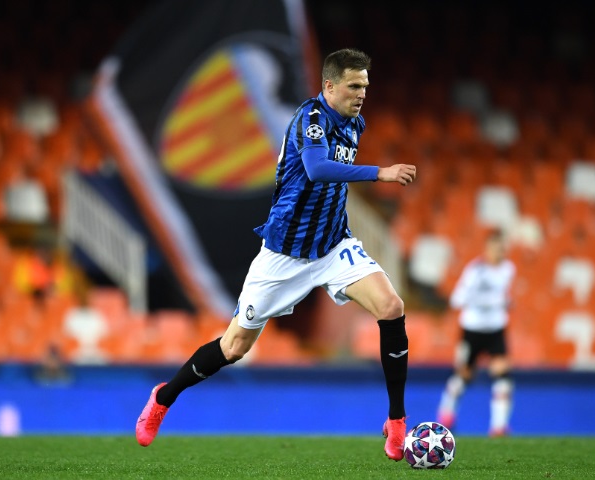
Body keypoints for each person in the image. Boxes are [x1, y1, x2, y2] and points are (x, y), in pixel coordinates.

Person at [135, 48, 417, 460]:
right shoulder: (310, 118)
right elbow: (317, 169)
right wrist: (381, 172)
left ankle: (396, 421)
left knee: (391, 306)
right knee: (233, 348)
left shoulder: (355, 123)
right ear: (329, 86)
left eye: (365, 86)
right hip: (284, 253)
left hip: (333, 246)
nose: (362, 94)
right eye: (354, 86)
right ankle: (163, 397)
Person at [436, 229, 516, 437]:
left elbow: (504, 296)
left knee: (503, 378)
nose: (500, 252)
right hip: (472, 330)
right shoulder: (475, 270)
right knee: (463, 375)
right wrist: (490, 301)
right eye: (496, 247)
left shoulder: (508, 269)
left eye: (502, 248)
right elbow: (457, 299)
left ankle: (499, 427)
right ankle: (446, 415)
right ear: (487, 248)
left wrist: (504, 302)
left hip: (496, 329)